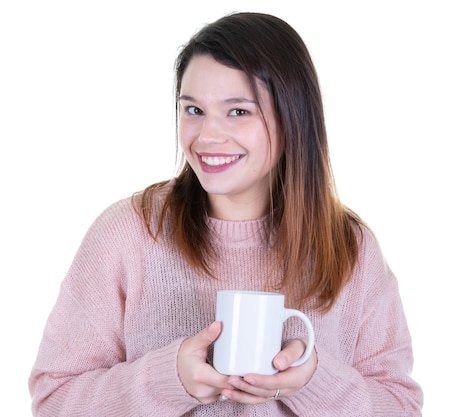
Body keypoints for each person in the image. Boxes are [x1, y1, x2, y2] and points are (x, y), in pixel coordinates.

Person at [29, 11, 423, 416]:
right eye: (193, 110)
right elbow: (53, 400)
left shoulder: (350, 248)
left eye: (238, 111)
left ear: (293, 119)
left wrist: (314, 380)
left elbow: (401, 406)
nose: (207, 136)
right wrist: (169, 382)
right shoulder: (128, 233)